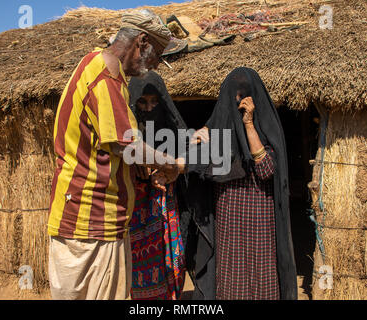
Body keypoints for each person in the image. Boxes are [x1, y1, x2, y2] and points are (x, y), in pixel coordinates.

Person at [47, 11, 185, 300]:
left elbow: (109, 146)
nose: (157, 63)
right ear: (142, 42)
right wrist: (171, 164)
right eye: (157, 54)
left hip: (89, 223)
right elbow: (127, 147)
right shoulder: (106, 73)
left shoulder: (96, 66)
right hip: (93, 222)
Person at [186, 67, 298, 300]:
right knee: (231, 278)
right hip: (229, 220)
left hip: (260, 219)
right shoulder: (216, 128)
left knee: (262, 274)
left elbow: (266, 170)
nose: (240, 101)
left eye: (245, 94)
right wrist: (193, 142)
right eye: (235, 96)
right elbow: (195, 165)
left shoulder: (266, 128)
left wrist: (248, 125)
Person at [127, 71, 188, 300]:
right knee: (142, 267)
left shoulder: (172, 133)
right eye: (143, 102)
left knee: (172, 261)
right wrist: (138, 167)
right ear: (134, 102)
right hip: (136, 211)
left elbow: (184, 154)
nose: (150, 109)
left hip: (167, 206)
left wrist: (167, 168)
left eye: (155, 102)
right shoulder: (126, 137)